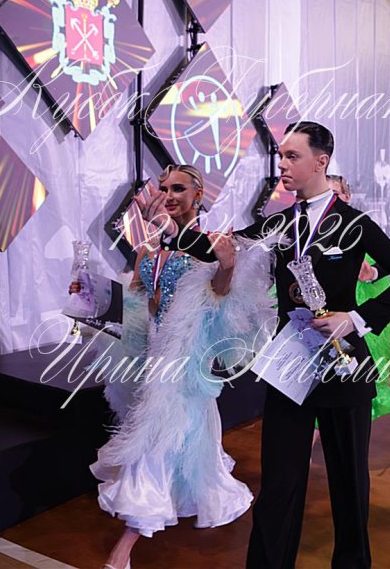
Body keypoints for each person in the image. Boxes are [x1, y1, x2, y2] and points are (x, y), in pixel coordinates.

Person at [168, 121, 390, 569]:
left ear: (320, 162)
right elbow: (220, 247)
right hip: (290, 363)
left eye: (292, 156)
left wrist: (356, 319)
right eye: (281, 156)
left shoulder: (355, 224)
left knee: (349, 483)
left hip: (344, 365)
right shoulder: (279, 223)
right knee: (279, 482)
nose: (282, 164)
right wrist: (177, 224)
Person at [90, 165, 274, 569]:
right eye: (163, 188)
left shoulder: (210, 243)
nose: (169, 195)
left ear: (198, 193)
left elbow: (221, 295)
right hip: (152, 351)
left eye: (178, 188)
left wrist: (227, 267)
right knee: (179, 438)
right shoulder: (150, 248)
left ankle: (126, 545)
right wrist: (93, 300)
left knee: (156, 439)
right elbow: (136, 299)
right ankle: (182, 495)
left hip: (186, 358)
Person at [328, 174, 390, 420]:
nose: (331, 201)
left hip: (361, 303)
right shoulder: (312, 230)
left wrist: (372, 273)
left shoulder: (360, 227)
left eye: (335, 194)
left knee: (361, 373)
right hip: (326, 310)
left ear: (347, 197)